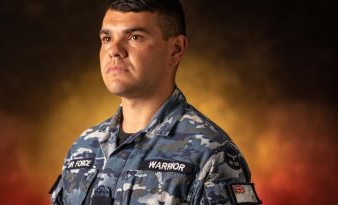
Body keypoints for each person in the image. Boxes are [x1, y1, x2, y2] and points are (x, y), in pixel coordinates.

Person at [49, 0, 261, 204]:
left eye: (134, 37)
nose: (114, 50)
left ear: (176, 49)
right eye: (107, 39)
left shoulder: (211, 154)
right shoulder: (83, 148)